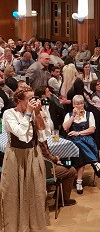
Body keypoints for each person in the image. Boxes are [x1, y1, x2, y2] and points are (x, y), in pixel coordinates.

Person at [0, 87, 48, 232]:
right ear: (20, 101)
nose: (32, 102)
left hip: (33, 155)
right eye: (29, 99)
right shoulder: (9, 114)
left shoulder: (33, 112)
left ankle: (33, 226)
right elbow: (20, 132)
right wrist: (28, 113)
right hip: (16, 156)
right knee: (14, 192)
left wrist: (38, 112)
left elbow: (43, 130)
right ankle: (15, 227)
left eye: (34, 98)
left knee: (36, 191)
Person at [34, 86, 77, 206]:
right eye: (43, 119)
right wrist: (55, 159)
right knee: (71, 170)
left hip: (46, 162)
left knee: (65, 162)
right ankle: (62, 199)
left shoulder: (38, 132)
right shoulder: (40, 136)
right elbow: (45, 154)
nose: (45, 120)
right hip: (44, 168)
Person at [62, 94, 100, 194]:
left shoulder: (89, 114)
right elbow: (65, 128)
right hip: (72, 140)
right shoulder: (69, 115)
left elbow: (92, 129)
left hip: (86, 139)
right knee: (76, 143)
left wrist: (79, 133)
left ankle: (79, 182)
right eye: (77, 104)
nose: (80, 105)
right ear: (73, 105)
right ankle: (94, 161)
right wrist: (72, 116)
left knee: (79, 146)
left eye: (81, 103)